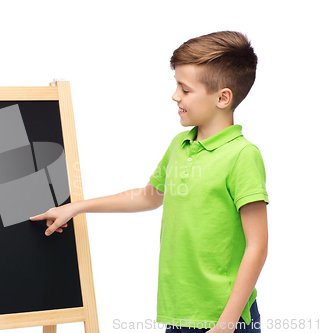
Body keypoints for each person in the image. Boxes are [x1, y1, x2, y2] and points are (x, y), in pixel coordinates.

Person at [30, 31, 268, 333]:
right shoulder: (180, 145)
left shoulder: (242, 155)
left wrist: (227, 323)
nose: (175, 96)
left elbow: (257, 246)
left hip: (225, 320)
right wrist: (76, 207)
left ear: (223, 97)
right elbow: (148, 197)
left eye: (185, 89)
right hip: (179, 314)